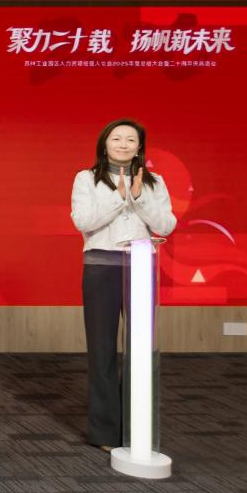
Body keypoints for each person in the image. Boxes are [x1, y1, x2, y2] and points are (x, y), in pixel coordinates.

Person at [70, 118, 175, 451]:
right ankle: (105, 433)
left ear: (139, 147)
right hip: (101, 269)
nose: (124, 144)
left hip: (141, 268)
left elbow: (166, 226)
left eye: (131, 139)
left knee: (139, 351)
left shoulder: (155, 182)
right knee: (102, 351)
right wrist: (119, 196)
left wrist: (139, 197)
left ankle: (135, 429)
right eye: (117, 138)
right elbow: (83, 221)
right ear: (105, 144)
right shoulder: (86, 179)